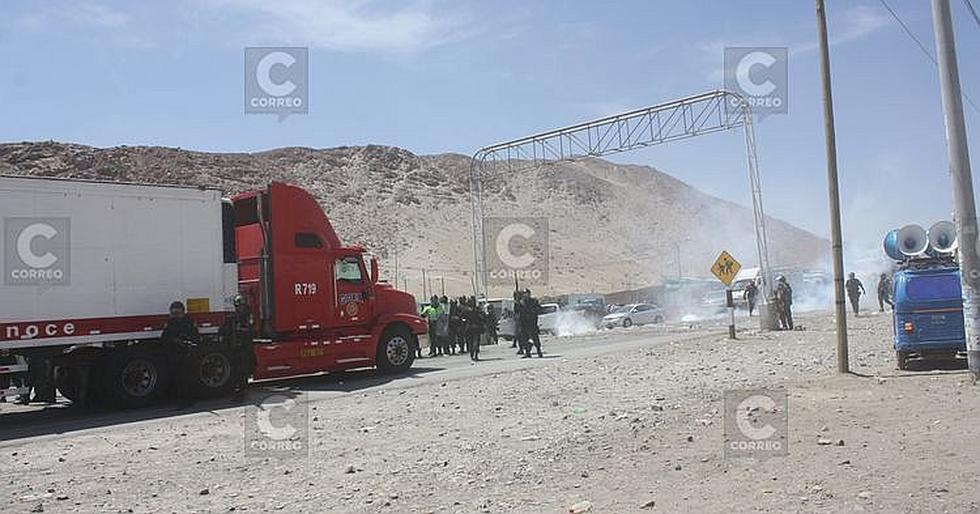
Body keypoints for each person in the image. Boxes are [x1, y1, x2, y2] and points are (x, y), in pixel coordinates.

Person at [161, 300, 200, 403]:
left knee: (188, 377)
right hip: (174, 353)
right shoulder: (170, 323)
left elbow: (195, 336)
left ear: (183, 312)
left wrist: (187, 343)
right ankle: (180, 398)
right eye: (174, 313)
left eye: (178, 313)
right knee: (178, 377)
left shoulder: (189, 322)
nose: (176, 316)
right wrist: (174, 340)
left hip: (187, 353)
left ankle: (189, 398)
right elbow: (164, 337)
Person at [230, 294, 255, 395]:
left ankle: (243, 386)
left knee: (244, 366)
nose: (239, 308)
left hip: (245, 345)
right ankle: (237, 385)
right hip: (236, 345)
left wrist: (240, 330)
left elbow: (250, 328)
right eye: (237, 306)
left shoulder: (248, 315)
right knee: (236, 367)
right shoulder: (234, 316)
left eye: (241, 306)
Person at [518, 289, 543, 358]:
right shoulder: (521, 302)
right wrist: (517, 303)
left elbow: (539, 309)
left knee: (535, 338)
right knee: (524, 338)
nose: (526, 295)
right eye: (524, 294)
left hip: (532, 323)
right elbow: (517, 312)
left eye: (527, 293)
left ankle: (539, 351)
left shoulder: (533, 301)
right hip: (523, 323)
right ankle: (527, 352)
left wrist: (533, 311)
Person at [464, 297, 484, 361]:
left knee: (473, 342)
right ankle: (474, 354)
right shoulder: (471, 310)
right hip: (472, 328)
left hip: (472, 327)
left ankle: (474, 355)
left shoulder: (469, 310)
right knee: (473, 342)